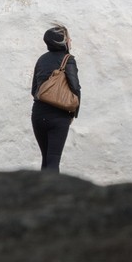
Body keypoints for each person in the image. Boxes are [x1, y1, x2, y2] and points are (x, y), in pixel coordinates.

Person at [31, 24, 81, 172]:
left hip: (38, 114)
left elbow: (35, 90)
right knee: (54, 160)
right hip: (59, 116)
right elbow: (75, 88)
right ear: (63, 41)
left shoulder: (41, 60)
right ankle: (53, 194)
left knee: (46, 160)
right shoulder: (68, 59)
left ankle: (42, 194)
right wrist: (73, 113)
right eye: (68, 38)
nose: (70, 40)